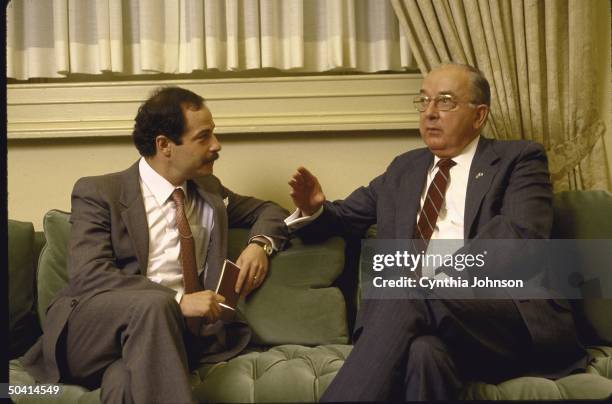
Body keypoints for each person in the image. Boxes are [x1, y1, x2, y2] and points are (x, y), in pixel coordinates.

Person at [286, 63, 587, 401]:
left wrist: (439, 278)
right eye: (424, 101)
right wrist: (314, 209)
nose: (429, 113)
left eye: (444, 102)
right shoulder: (404, 169)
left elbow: (520, 237)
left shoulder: (518, 159)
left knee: (407, 290)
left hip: (501, 318)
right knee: (424, 354)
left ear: (479, 115)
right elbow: (342, 219)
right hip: (422, 323)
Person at [21, 87, 289, 403]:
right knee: (156, 305)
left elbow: (270, 211)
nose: (216, 146)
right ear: (164, 145)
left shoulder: (209, 191)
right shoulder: (99, 192)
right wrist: (178, 301)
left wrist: (259, 245)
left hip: (166, 340)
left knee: (123, 382)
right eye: (203, 137)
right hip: (92, 334)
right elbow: (90, 275)